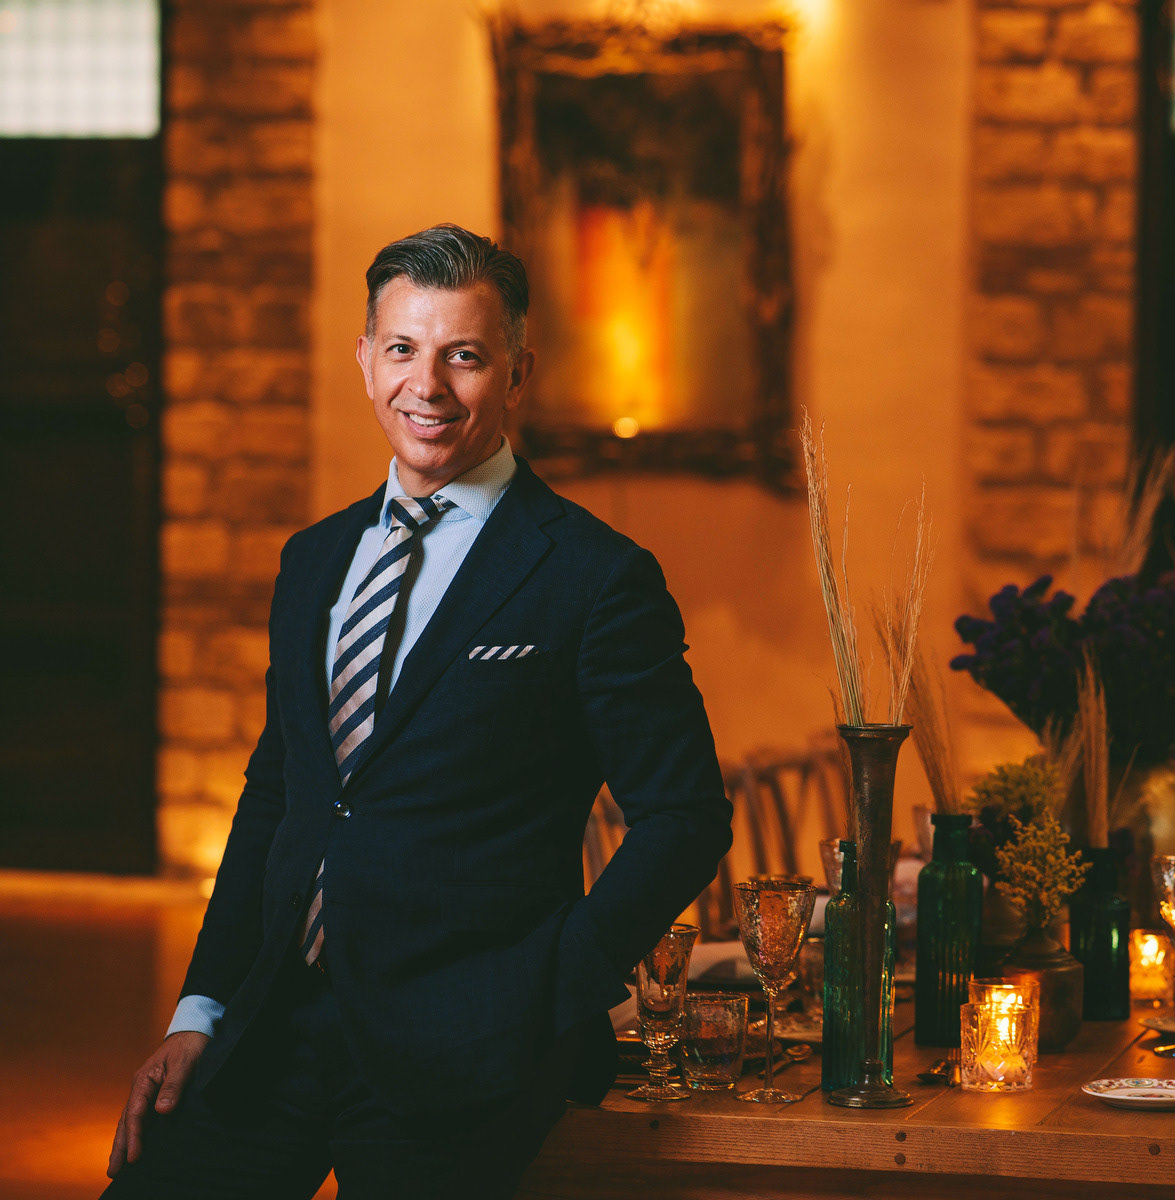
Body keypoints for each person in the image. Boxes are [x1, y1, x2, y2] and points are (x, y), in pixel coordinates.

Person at [103, 224, 733, 1198]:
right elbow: (277, 794)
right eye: (403, 348)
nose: (426, 386)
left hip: (467, 1051)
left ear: (517, 373)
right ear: (365, 360)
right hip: (275, 1027)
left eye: (463, 356)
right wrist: (201, 1010)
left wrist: (554, 985)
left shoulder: (594, 578)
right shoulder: (313, 560)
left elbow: (685, 816)